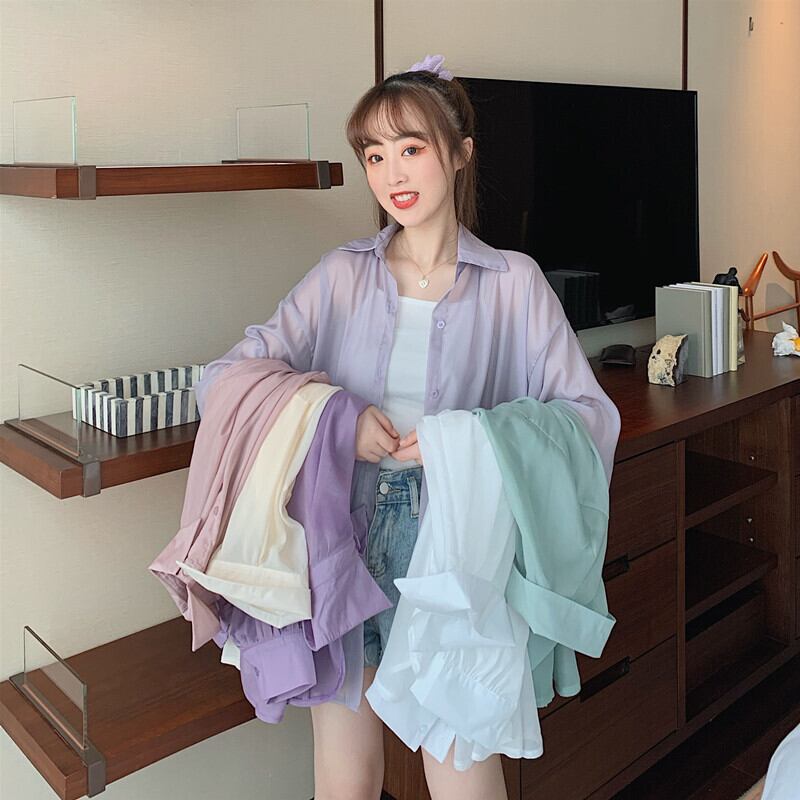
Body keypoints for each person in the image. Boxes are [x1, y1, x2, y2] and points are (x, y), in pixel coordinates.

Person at [194, 54, 621, 800]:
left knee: (462, 774)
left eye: (412, 147)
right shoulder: (340, 275)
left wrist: (471, 441)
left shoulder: (514, 282)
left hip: (453, 542)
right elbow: (227, 379)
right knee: (345, 777)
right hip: (343, 533)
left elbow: (586, 420)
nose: (392, 172)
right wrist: (334, 419)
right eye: (374, 154)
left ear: (459, 154)